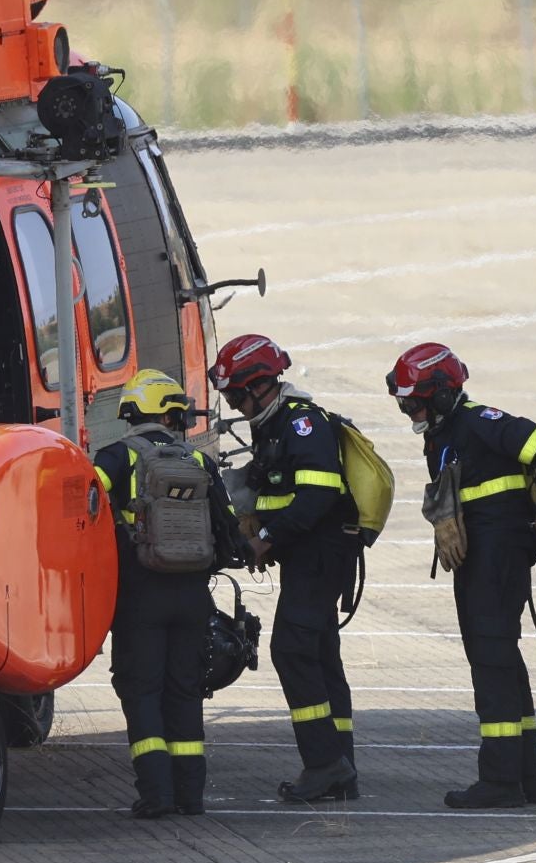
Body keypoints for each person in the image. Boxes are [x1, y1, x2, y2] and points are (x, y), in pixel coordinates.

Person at [389, 342, 536, 809]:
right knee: (501, 659)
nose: (412, 413)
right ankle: (525, 778)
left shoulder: (480, 422)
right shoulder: (443, 435)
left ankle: (501, 781)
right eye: (405, 404)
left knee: (491, 660)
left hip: (498, 554)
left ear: (444, 395)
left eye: (416, 403)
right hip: (482, 554)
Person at [212, 333, 360, 803]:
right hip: (310, 553)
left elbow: (319, 495)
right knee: (319, 654)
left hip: (320, 555)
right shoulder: (273, 425)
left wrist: (267, 539)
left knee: (292, 651)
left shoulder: (302, 425)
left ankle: (323, 764)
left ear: (263, 385)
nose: (235, 403)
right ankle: (342, 768)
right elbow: (283, 486)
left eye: (238, 394)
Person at [93, 368, 244, 818]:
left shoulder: (116, 457)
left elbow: (82, 503)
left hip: (140, 596)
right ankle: (190, 797)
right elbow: (229, 530)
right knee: (184, 690)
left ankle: (155, 795)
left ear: (132, 412)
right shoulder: (199, 462)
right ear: (172, 414)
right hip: (193, 597)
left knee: (141, 691)